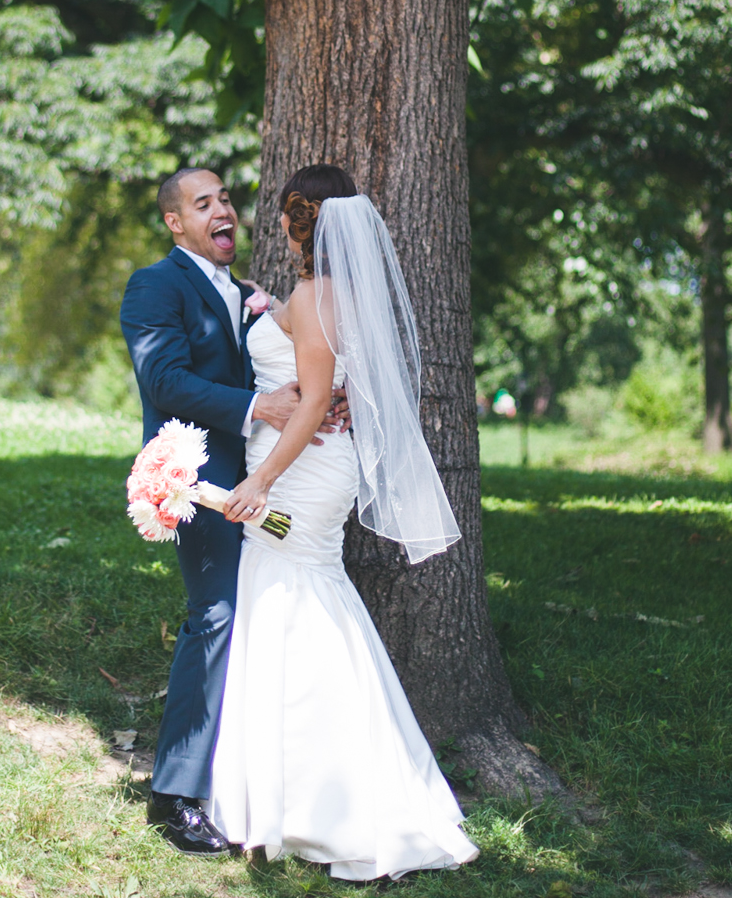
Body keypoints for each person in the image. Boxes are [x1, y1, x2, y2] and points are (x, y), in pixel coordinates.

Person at [208, 163, 479, 881]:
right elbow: (327, 382)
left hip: (298, 475)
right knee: (302, 609)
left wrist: (259, 481)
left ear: (296, 223)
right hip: (308, 466)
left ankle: (333, 805)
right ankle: (304, 796)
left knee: (297, 611)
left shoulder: (317, 293)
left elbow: (315, 395)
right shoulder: (334, 294)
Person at [118, 168, 341, 856]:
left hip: (266, 482)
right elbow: (163, 378)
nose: (224, 211)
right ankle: (173, 795)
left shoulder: (245, 293)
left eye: (226, 200)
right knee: (214, 616)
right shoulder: (156, 284)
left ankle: (249, 779)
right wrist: (257, 408)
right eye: (203, 203)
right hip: (202, 477)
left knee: (262, 616)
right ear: (175, 223)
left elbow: (300, 365)